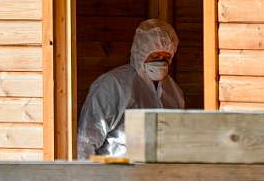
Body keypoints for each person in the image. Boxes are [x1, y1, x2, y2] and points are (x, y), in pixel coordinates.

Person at [77, 19, 184, 160]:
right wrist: (84, 171)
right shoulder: (115, 84)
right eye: (155, 56)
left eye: (166, 56)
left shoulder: (173, 90)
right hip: (118, 170)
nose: (161, 61)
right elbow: (86, 138)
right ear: (141, 52)